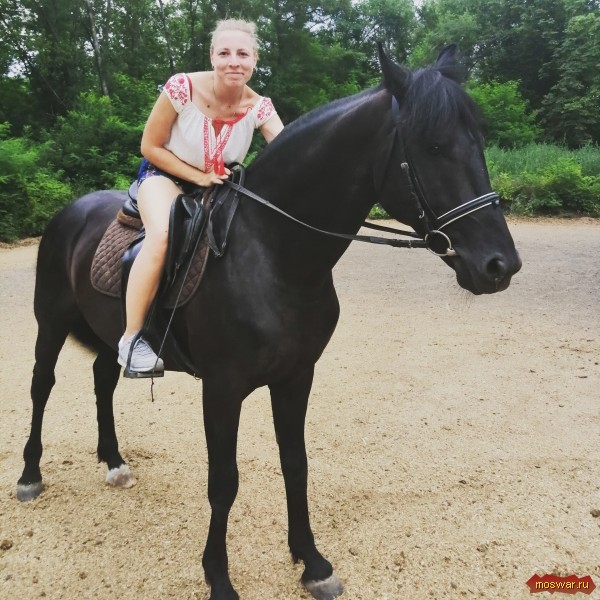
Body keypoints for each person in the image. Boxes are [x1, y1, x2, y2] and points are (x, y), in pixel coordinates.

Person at [118, 18, 284, 376]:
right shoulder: (181, 88)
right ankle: (132, 340)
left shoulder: (260, 107)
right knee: (162, 234)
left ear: (255, 59)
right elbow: (150, 146)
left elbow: (288, 151)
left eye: (242, 54)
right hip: (164, 177)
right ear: (212, 57)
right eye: (224, 53)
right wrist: (199, 176)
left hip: (219, 185)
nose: (233, 62)